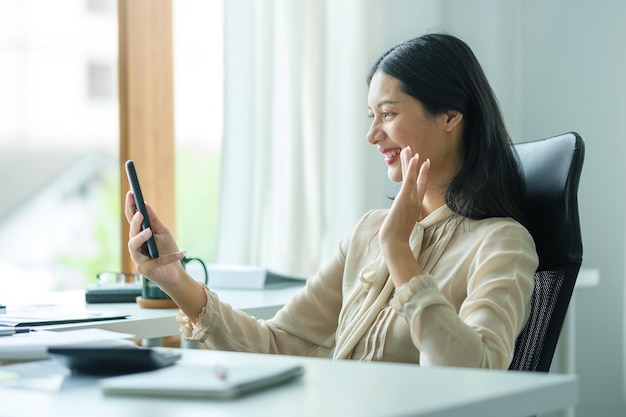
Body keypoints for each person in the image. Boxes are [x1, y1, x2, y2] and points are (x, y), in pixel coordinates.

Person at [125, 33, 538, 369]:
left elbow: (477, 375)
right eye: (370, 117)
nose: (373, 135)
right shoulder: (367, 233)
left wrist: (399, 253)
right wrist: (174, 278)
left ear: (450, 116)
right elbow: (276, 343)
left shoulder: (501, 243)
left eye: (388, 114)